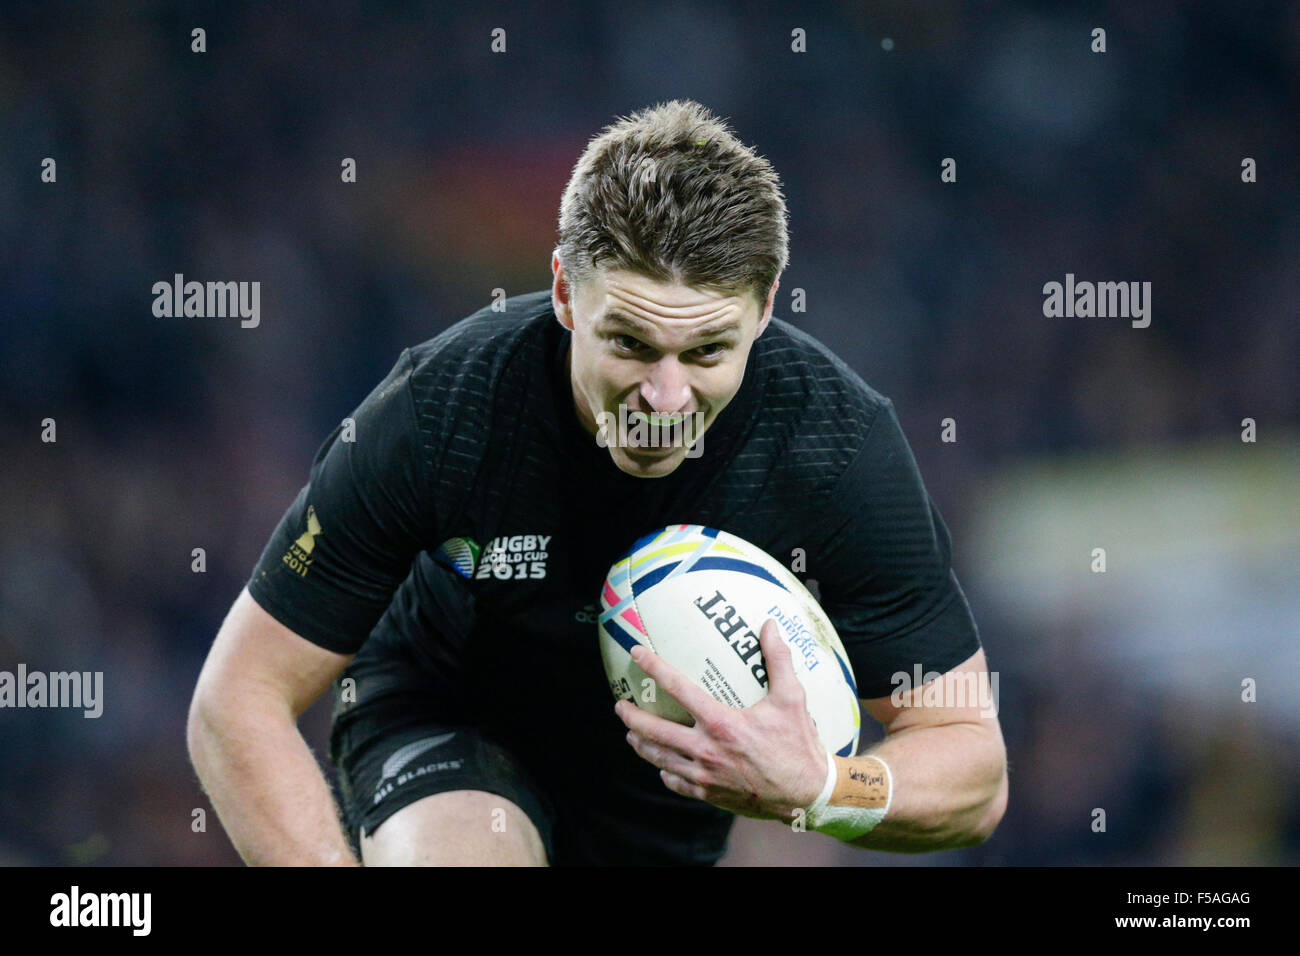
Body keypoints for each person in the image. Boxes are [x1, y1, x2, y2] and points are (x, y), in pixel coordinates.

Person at [186, 99, 1007, 866]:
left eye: (706, 352)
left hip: (679, 792)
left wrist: (827, 788)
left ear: (765, 310)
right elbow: (238, 699)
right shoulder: (443, 411)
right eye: (630, 343)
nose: (665, 396)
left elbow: (973, 764)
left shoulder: (835, 447)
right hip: (449, 719)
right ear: (563, 294)